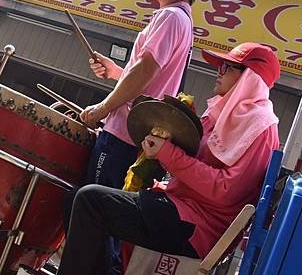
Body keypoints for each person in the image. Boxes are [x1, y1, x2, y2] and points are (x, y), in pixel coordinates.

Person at [58, 42, 281, 275]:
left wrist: (168, 153)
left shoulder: (261, 128)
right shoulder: (221, 112)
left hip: (199, 226)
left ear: (250, 77)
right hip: (178, 205)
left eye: (227, 67)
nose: (219, 71)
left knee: (89, 200)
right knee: (74, 197)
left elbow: (227, 190)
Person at [73, 0, 206, 274]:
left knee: (98, 219)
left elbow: (146, 70)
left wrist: (103, 107)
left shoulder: (171, 17)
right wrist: (117, 71)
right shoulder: (181, 20)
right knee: (103, 221)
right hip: (134, 134)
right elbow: (150, 79)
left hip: (122, 134)